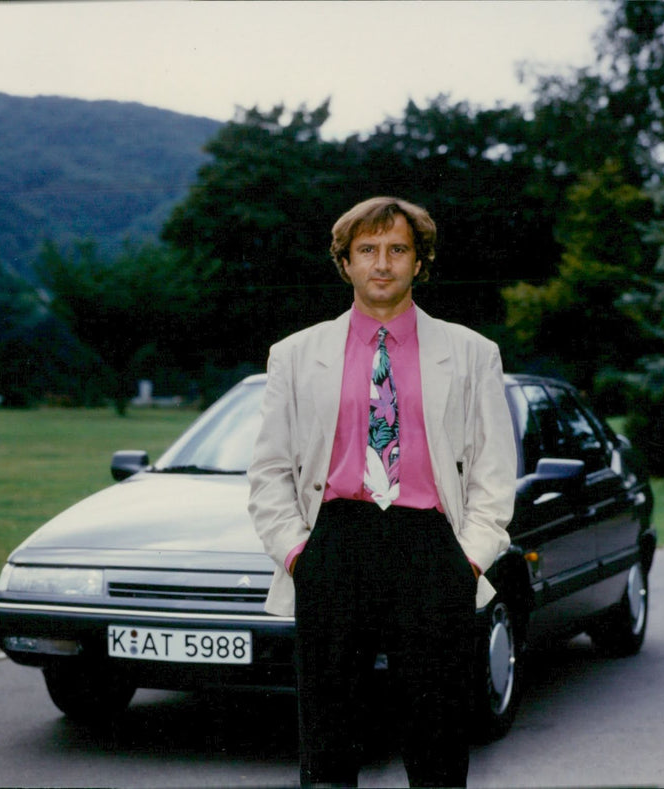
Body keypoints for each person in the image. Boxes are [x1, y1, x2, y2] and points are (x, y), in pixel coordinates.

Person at [248, 196, 516, 788]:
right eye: (367, 250)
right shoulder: (294, 355)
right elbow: (268, 469)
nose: (383, 263)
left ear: (419, 263)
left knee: (437, 738)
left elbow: (495, 472)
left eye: (398, 249)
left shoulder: (472, 353)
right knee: (328, 741)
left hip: (430, 547)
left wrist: (468, 560)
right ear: (344, 262)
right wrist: (298, 554)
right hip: (334, 543)